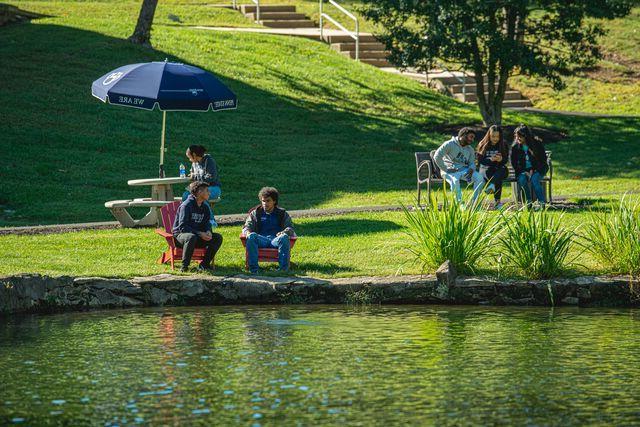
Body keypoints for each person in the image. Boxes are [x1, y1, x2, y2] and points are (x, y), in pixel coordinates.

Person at [173, 181, 223, 272]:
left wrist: (208, 232)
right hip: (181, 237)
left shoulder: (205, 207)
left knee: (217, 238)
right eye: (207, 191)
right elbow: (183, 227)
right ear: (200, 192)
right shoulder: (186, 205)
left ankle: (204, 265)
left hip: (198, 236)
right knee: (191, 237)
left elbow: (207, 223)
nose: (209, 193)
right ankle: (184, 267)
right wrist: (200, 233)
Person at [242, 187, 295, 274]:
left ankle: (283, 270)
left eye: (268, 201)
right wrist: (247, 232)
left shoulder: (282, 213)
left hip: (276, 240)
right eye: (263, 201)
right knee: (251, 236)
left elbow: (290, 227)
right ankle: (254, 270)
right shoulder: (256, 213)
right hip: (261, 240)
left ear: (274, 201)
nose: (265, 203)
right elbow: (247, 226)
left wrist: (284, 232)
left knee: (284, 237)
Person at [433, 127, 484, 205]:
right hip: (449, 170)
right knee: (455, 180)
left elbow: (472, 163)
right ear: (463, 135)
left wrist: (471, 169)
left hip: (463, 170)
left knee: (479, 177)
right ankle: (459, 205)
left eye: (473, 138)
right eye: (471, 137)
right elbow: (437, 156)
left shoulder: (470, 149)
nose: (472, 140)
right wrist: (446, 169)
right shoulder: (449, 144)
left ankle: (476, 204)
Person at [182, 145, 221, 227]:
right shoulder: (194, 164)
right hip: (199, 189)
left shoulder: (209, 161)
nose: (190, 160)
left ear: (194, 155)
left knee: (201, 195)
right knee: (186, 195)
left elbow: (211, 177)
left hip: (213, 188)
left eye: (190, 157)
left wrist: (195, 176)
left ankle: (211, 220)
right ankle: (191, 220)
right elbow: (192, 175)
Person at [510, 124, 548, 206]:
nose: (518, 138)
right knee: (522, 179)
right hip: (522, 171)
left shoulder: (537, 144)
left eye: (520, 136)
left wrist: (533, 169)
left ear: (526, 136)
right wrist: (524, 171)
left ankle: (542, 203)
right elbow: (514, 163)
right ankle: (528, 202)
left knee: (534, 179)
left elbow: (543, 160)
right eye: (516, 136)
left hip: (539, 168)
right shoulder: (515, 147)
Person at [476, 125, 509, 209]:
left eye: (497, 136)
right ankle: (497, 203)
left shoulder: (503, 144)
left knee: (501, 172)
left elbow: (505, 160)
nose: (495, 139)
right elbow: (481, 161)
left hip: (499, 169)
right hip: (486, 170)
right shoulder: (483, 144)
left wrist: (500, 159)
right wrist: (491, 160)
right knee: (498, 178)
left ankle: (492, 185)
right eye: (493, 136)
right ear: (489, 135)